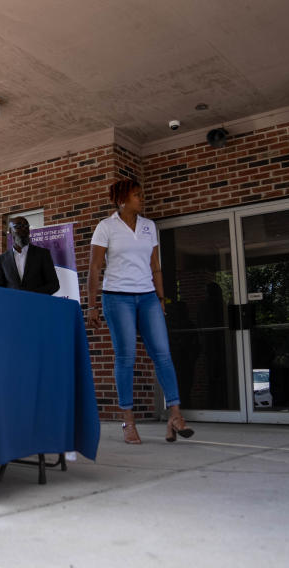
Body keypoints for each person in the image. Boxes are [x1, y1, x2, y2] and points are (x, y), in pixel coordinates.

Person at [85, 178, 193, 445]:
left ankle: (175, 416)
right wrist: (92, 304)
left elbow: (155, 266)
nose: (141, 198)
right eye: (136, 195)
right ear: (122, 199)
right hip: (117, 297)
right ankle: (128, 421)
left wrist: (161, 297)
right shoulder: (105, 227)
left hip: (147, 298)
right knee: (126, 357)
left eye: (141, 194)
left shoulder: (149, 226)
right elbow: (95, 268)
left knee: (163, 354)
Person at [0, 216, 60, 295]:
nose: (23, 229)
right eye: (18, 226)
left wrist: (31, 295)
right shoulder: (2, 259)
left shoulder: (42, 254)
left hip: (37, 305)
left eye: (26, 226)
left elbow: (54, 284)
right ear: (10, 231)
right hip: (13, 305)